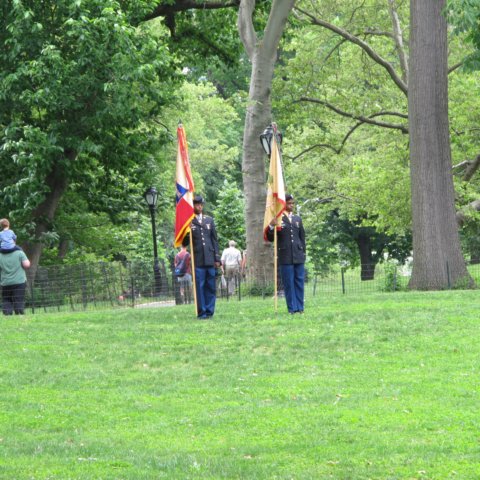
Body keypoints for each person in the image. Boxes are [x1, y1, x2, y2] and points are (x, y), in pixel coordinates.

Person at [266, 194, 306, 314]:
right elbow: (270, 238)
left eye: (293, 203)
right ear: (283, 204)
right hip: (285, 255)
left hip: (298, 255)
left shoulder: (297, 219)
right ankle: (292, 308)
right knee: (289, 283)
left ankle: (300, 307)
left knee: (299, 282)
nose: (291, 205)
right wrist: (271, 226)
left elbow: (302, 238)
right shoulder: (277, 219)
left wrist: (303, 253)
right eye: (289, 203)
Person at [188, 195, 221, 319]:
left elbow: (214, 240)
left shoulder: (209, 220)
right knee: (199, 287)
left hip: (210, 258)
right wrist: (186, 231)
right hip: (198, 259)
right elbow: (185, 242)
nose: (199, 207)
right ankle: (201, 312)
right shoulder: (189, 222)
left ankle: (209, 311)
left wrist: (217, 258)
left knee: (210, 286)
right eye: (197, 205)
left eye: (201, 204)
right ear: (193, 206)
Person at [0, 248, 31, 315]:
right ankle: (19, 314)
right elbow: (27, 265)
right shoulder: (19, 253)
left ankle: (7, 315)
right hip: (19, 281)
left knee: (6, 299)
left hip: (5, 282)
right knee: (18, 298)